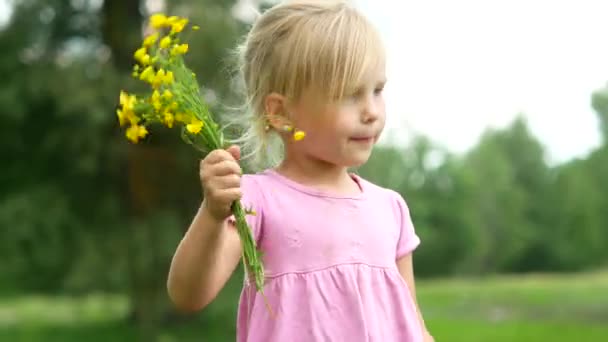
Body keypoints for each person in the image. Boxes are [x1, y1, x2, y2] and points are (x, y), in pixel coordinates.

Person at [167, 1, 433, 341]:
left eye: (377, 91)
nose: (371, 112)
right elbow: (188, 295)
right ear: (280, 113)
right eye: (351, 95)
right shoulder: (255, 198)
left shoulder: (390, 207)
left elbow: (410, 320)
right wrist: (212, 213)